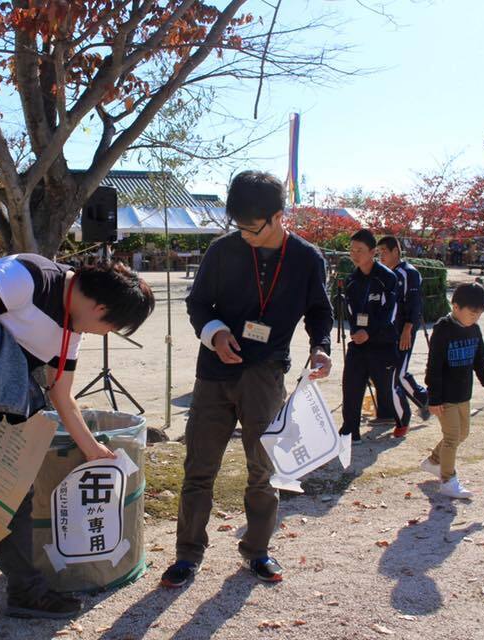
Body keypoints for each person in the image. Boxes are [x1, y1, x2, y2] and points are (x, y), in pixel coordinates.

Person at [0, 254, 155, 639]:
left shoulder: (71, 328)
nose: (104, 334)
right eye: (111, 327)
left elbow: (62, 394)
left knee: (16, 496)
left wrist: (92, 448)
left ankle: (25, 591)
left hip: (4, 406)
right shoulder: (24, 279)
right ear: (100, 308)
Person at [160, 170, 333, 588]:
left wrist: (320, 346)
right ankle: (187, 554)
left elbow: (319, 311)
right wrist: (216, 334)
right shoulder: (223, 251)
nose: (245, 235)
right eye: (238, 226)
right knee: (199, 467)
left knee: (264, 470)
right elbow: (198, 304)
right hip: (214, 374)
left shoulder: (307, 259)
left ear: (278, 217)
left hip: (266, 375)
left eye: (252, 228)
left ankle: (257, 551)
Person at [420, 283, 484, 498]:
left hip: (463, 394)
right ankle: (448, 480)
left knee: (462, 434)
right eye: (472, 313)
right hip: (444, 396)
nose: (476, 318)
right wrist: (434, 398)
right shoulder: (443, 329)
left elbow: (480, 362)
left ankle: (433, 462)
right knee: (451, 437)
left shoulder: (474, 330)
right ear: (455, 306)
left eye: (480, 314)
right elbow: (434, 366)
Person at [340, 229, 410, 442]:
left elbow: (390, 313)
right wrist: (357, 332)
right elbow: (351, 312)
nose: (355, 254)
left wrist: (369, 332)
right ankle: (350, 431)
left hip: (382, 343)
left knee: (388, 388)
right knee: (351, 386)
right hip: (359, 343)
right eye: (352, 250)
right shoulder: (351, 280)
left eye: (360, 250)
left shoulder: (387, 278)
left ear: (372, 252)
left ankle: (402, 420)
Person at [376, 236, 430, 422]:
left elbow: (415, 304)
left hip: (403, 330)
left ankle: (424, 399)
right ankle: (389, 411)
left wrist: (408, 328)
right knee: (387, 371)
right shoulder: (386, 273)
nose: (381, 255)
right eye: (379, 252)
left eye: (384, 251)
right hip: (389, 331)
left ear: (395, 251)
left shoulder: (409, 273)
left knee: (399, 373)